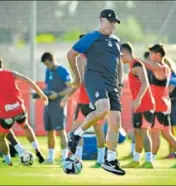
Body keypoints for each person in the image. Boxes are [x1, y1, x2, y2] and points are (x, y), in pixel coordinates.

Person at [66, 9, 126, 175]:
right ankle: (76, 134)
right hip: (95, 79)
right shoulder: (92, 37)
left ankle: (110, 160)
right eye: (110, 21)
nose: (113, 25)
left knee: (115, 121)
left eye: (115, 22)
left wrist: (120, 83)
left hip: (112, 83)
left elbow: (119, 63)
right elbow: (71, 54)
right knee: (103, 108)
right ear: (101, 20)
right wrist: (77, 77)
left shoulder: (116, 41)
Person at [61, 34, 106, 168]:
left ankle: (76, 158)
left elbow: (80, 80)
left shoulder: (81, 57)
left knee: (76, 131)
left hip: (85, 100)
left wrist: (66, 95)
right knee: (99, 130)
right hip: (98, 98)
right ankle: (100, 160)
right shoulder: (100, 58)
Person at [142, 44, 176, 168]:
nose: (150, 56)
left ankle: (150, 161)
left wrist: (129, 57)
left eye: (152, 53)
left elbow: (144, 63)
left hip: (158, 106)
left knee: (155, 134)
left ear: (158, 54)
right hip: (164, 105)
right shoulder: (166, 67)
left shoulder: (160, 67)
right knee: (166, 134)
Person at [121, 43, 154, 168]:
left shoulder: (137, 64)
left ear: (124, 52)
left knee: (144, 133)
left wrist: (138, 99)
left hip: (145, 104)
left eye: (120, 55)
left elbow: (145, 83)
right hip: (138, 105)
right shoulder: (131, 66)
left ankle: (149, 161)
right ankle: (136, 160)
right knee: (137, 132)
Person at [40, 52, 73, 164]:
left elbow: (70, 88)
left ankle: (64, 157)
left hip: (59, 105)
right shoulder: (48, 71)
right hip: (48, 104)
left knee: (60, 131)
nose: (47, 66)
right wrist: (42, 93)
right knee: (49, 131)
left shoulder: (63, 71)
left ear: (52, 60)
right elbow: (48, 86)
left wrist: (57, 95)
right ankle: (50, 158)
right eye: (45, 65)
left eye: (48, 64)